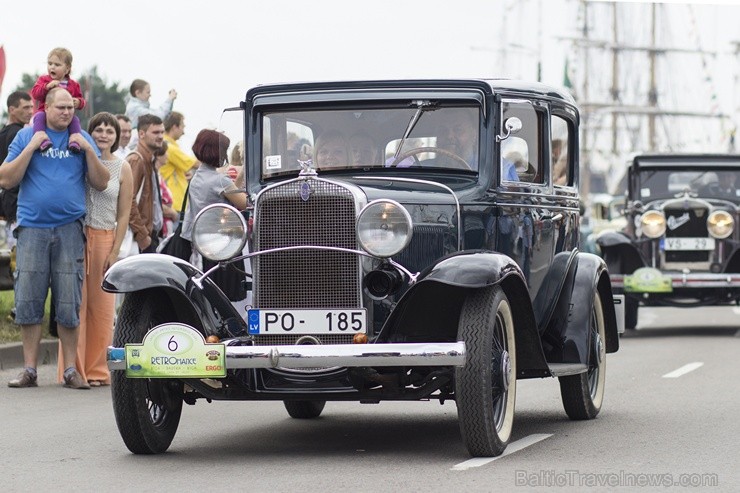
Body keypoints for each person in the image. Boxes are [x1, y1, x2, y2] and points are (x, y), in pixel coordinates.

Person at [0, 88, 110, 389]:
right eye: (60, 107)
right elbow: (6, 178)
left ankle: (70, 370)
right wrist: (32, 147)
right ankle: (30, 370)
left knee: (68, 302)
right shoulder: (26, 136)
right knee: (28, 301)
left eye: (71, 108)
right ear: (45, 108)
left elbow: (101, 183)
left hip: (69, 229)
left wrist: (88, 151)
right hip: (32, 228)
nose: (66, 112)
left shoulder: (81, 139)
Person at [56, 112, 133, 387]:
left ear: (117, 136)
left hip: (105, 237)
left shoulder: (123, 167)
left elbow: (124, 214)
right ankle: (72, 369)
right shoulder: (79, 158)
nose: (103, 134)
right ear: (89, 132)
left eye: (109, 130)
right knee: (75, 305)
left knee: (102, 307)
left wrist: (115, 251)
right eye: (98, 129)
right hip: (76, 234)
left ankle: (98, 369)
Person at [181, 129, 248, 301]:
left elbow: (232, 190)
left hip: (204, 243)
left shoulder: (198, 177)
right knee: (227, 297)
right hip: (223, 246)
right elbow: (244, 202)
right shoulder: (219, 180)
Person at [30, 47, 86, 154]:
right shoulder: (44, 80)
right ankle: (41, 139)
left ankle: (75, 140)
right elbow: (35, 93)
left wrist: (78, 103)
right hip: (45, 112)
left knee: (75, 120)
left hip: (65, 116)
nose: (52, 67)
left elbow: (81, 100)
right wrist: (46, 87)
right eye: (50, 63)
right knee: (38, 117)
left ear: (67, 68)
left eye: (57, 65)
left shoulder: (74, 85)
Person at [126, 114, 165, 253]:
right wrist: (143, 236)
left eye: (162, 132)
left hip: (150, 236)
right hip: (140, 239)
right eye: (155, 132)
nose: (160, 136)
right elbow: (127, 201)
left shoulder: (149, 160)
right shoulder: (137, 160)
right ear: (141, 134)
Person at [0, 91, 34, 247]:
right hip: (15, 209)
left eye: (32, 107)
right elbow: (14, 176)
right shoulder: (19, 135)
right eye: (26, 107)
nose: (30, 112)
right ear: (12, 109)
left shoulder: (3, 132)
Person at [160, 111, 198, 213]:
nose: (183, 131)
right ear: (174, 127)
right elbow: (195, 163)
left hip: (175, 203)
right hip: (174, 203)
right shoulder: (169, 147)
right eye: (182, 127)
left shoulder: (169, 145)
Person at [153, 141, 179, 236]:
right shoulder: (153, 175)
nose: (167, 155)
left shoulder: (158, 174)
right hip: (159, 227)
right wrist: (173, 213)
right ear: (159, 156)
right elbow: (155, 201)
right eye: (165, 152)